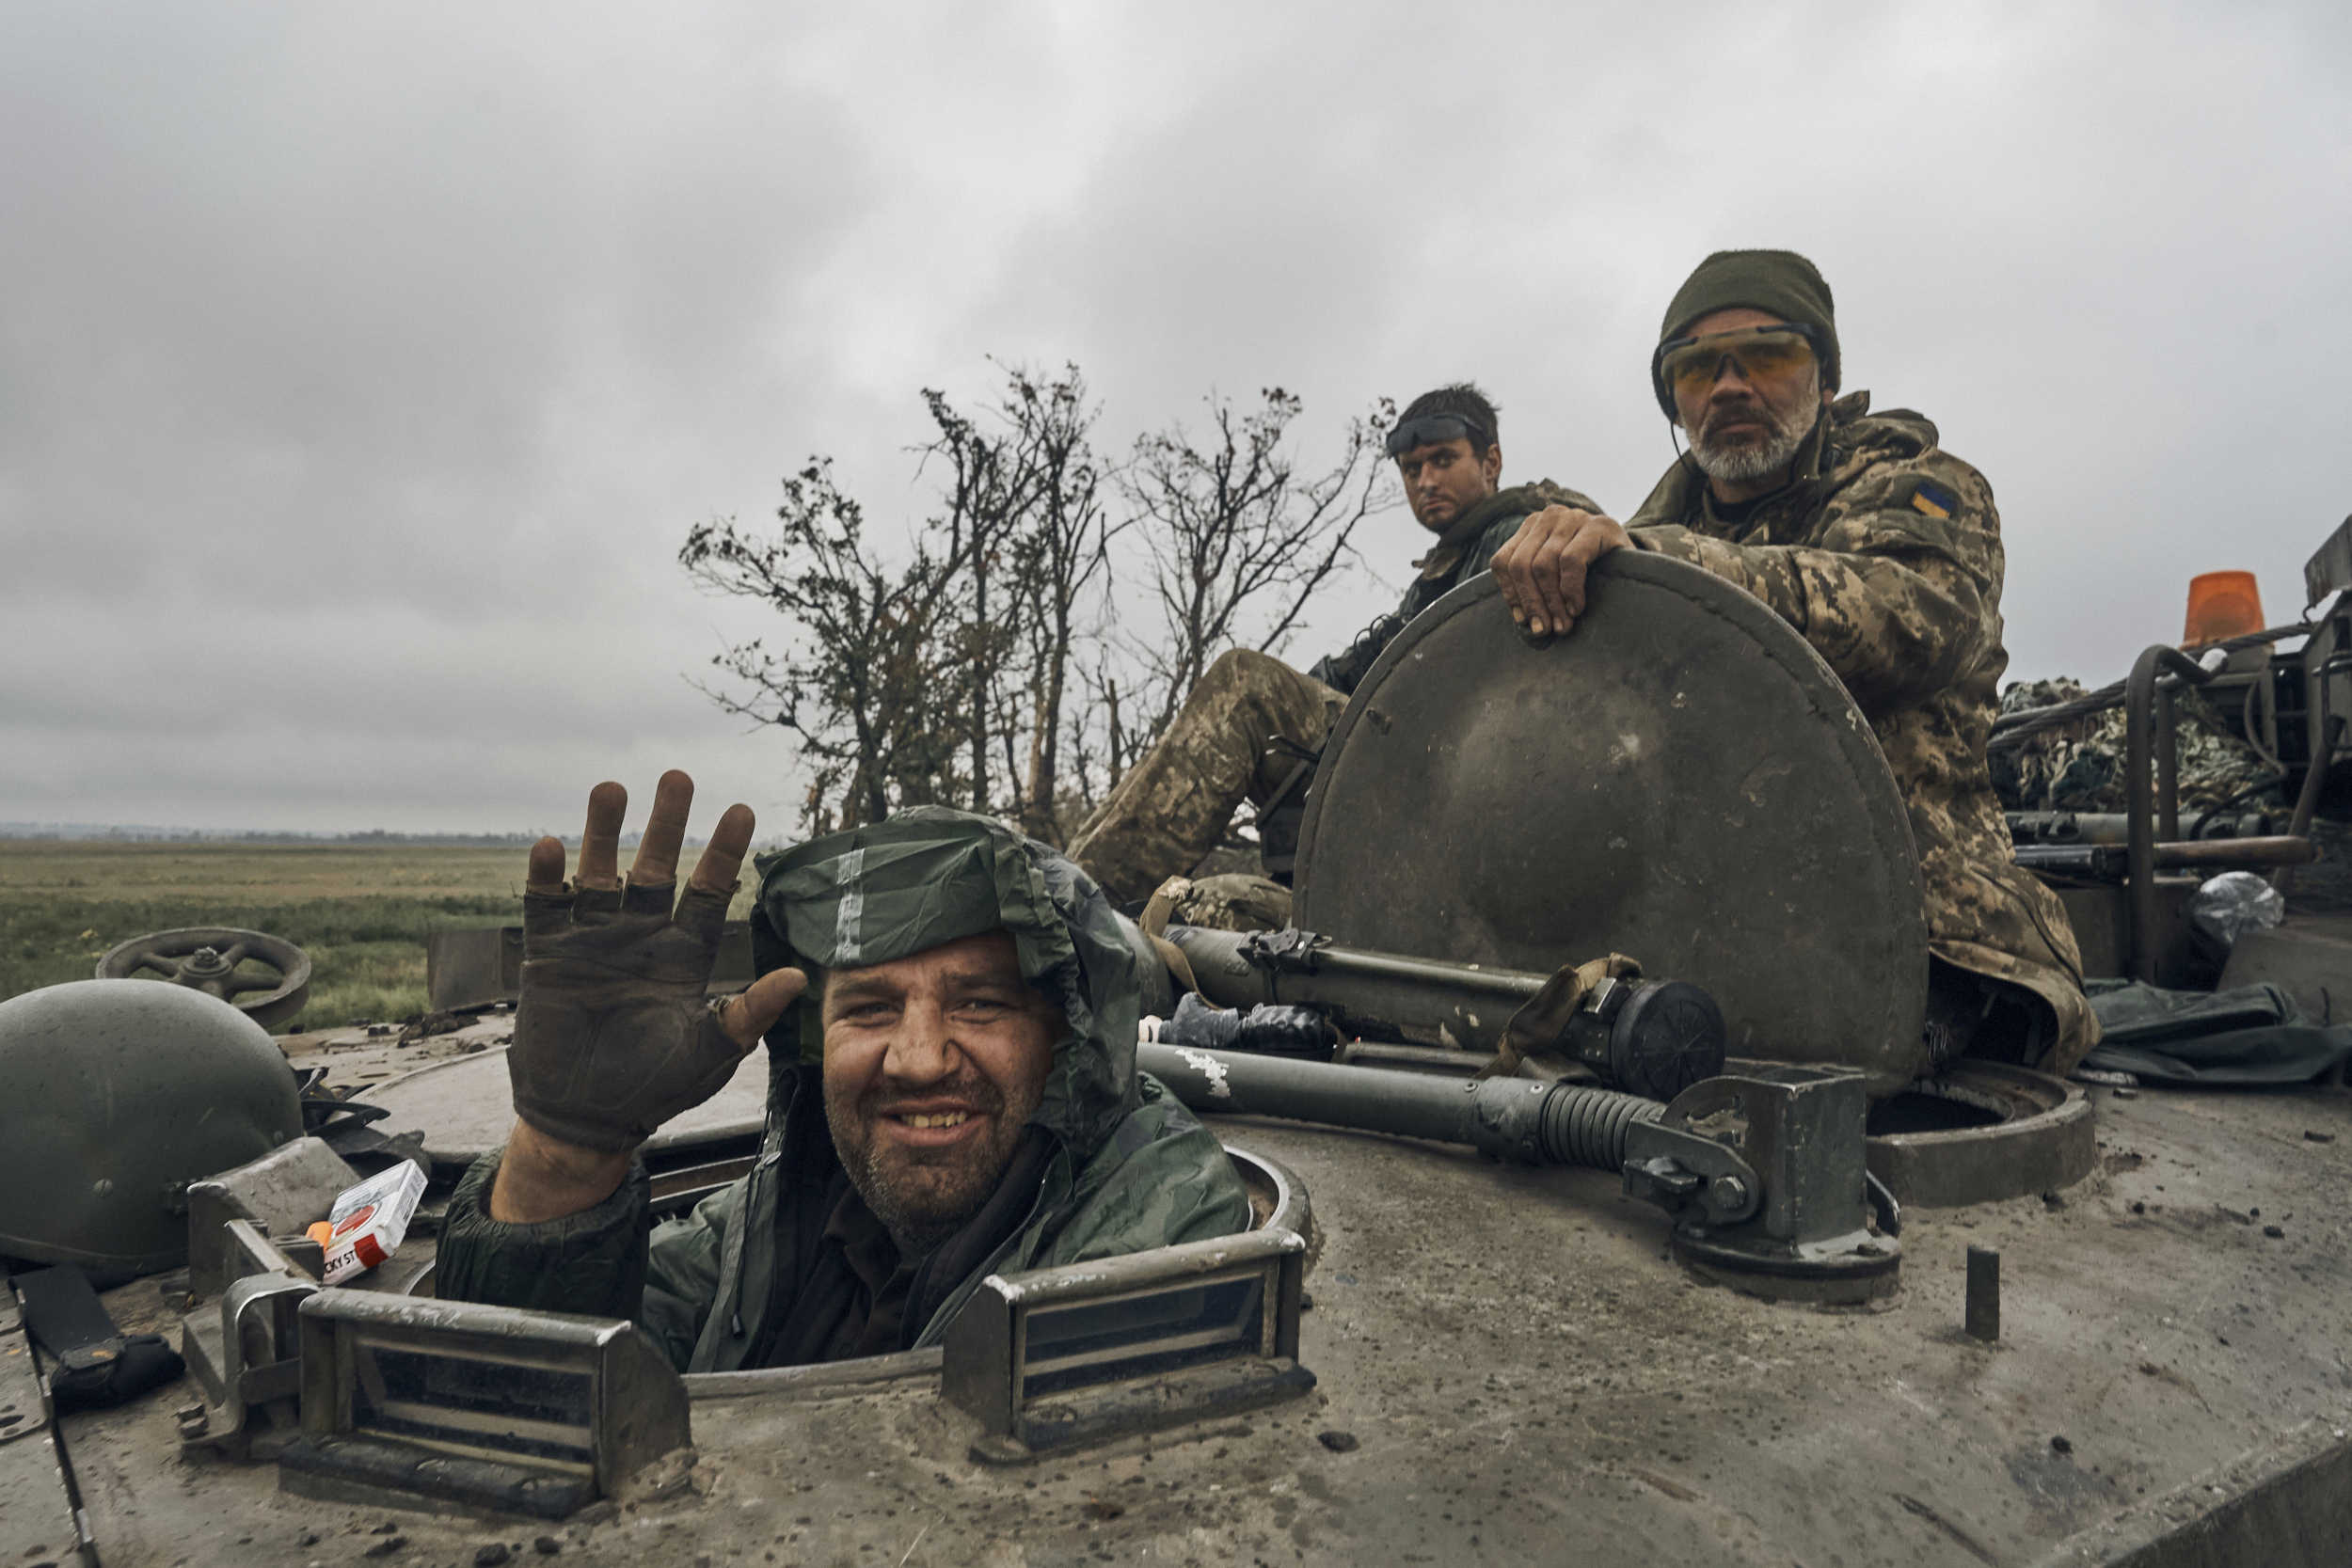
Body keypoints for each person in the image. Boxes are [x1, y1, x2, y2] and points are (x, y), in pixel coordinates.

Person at [1486, 249, 2098, 1075]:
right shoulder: (1644, 539)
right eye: (1697, 367)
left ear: (1828, 379)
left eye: (1768, 355)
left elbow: (1911, 621)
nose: (1729, 385)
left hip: (1916, 920)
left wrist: (1661, 568)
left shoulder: (1919, 487)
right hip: (1687, 912)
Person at [437, 771, 1251, 1370]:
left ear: (1063, 1040)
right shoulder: (774, 1220)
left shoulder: (1154, 1221)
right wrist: (564, 1152)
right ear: (814, 1042)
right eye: (867, 1008)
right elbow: (525, 1390)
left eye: (979, 1005)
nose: (920, 1058)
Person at [1067, 383, 1600, 907]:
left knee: (1246, 686)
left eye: (1442, 460)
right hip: (1420, 767)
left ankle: (1077, 908)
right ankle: (1070, 875)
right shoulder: (1442, 572)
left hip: (1471, 780)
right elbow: (1350, 671)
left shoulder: (1519, 539)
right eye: (1412, 469)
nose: (1426, 480)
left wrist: (1267, 701)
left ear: (1491, 462)